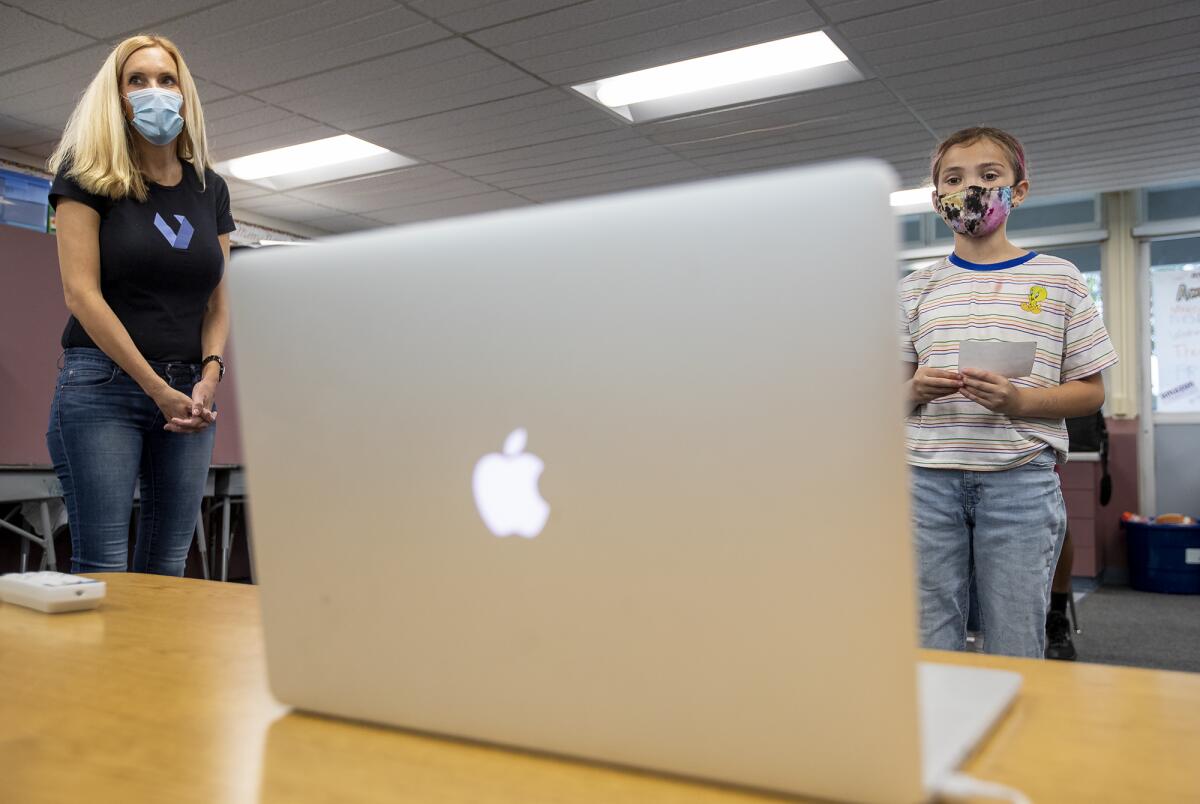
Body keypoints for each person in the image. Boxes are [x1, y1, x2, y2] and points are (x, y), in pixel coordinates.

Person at [899, 126, 1117, 658]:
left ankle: (1018, 740)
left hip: (1020, 482)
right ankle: (941, 737)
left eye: (988, 175)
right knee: (928, 632)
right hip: (926, 483)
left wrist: (1019, 402)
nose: (970, 189)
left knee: (1015, 634)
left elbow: (1090, 393)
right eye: (954, 179)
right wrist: (913, 389)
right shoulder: (914, 287)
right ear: (936, 199)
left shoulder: (1060, 279)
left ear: (1017, 191)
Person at [45, 35, 234, 575]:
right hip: (103, 387)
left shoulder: (210, 188)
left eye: (166, 79)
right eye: (138, 80)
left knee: (168, 566)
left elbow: (218, 297)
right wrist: (156, 389)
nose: (155, 91)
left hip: (190, 394)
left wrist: (210, 374)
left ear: (184, 91)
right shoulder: (87, 174)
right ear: (118, 96)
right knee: (103, 567)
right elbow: (80, 293)